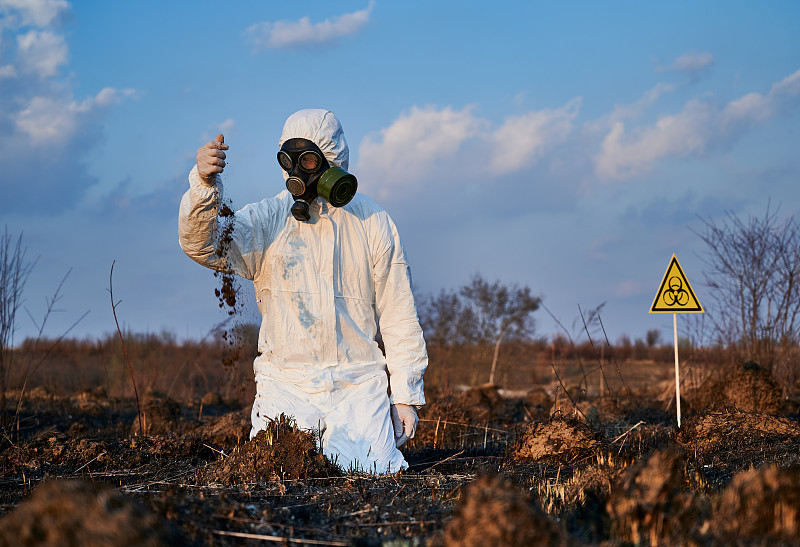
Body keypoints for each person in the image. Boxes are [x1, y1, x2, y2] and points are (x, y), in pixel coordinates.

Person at [178, 109, 428, 473]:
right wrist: (203, 185)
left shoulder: (372, 221)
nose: (299, 171)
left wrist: (405, 395)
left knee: (375, 472)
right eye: (289, 160)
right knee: (274, 471)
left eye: (308, 159)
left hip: (356, 383)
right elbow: (204, 244)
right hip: (285, 382)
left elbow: (398, 312)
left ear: (333, 159)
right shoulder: (267, 220)